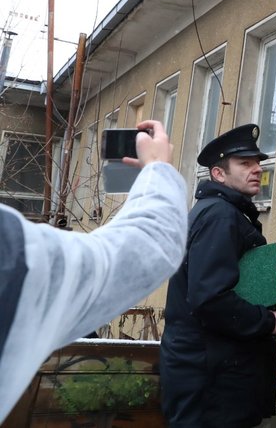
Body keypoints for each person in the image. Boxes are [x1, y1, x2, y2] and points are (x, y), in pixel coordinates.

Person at [0, 120, 188, 422]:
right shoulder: (11, 250)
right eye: (244, 163)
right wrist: (158, 168)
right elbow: (141, 250)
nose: (256, 170)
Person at [160, 123, 276, 428]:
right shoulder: (220, 216)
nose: (257, 169)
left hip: (219, 374)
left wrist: (268, 315)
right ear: (218, 174)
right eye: (245, 163)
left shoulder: (230, 214)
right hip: (211, 381)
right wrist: (270, 322)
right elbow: (209, 299)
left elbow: (240, 289)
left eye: (258, 162)